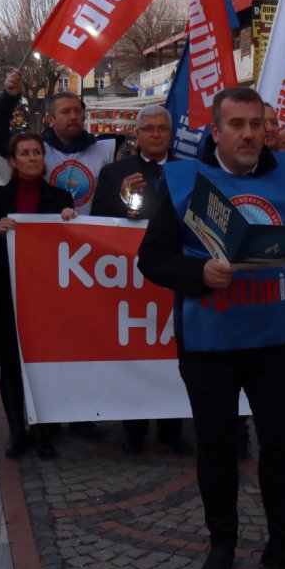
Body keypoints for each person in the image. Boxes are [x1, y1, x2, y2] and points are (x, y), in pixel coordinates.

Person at [138, 87, 285, 569]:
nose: (248, 134)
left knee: (282, 446)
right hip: (210, 343)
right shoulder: (184, 182)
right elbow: (151, 259)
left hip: (278, 340)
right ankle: (221, 544)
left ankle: (283, 545)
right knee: (217, 448)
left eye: (256, 124)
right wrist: (198, 274)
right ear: (216, 131)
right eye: (237, 125)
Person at [90, 105, 191, 456]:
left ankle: (171, 430)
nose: (155, 134)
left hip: (174, 273)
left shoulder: (188, 170)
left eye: (162, 128)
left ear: (170, 133)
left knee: (172, 351)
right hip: (128, 278)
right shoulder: (114, 172)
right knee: (134, 353)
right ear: (137, 134)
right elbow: (97, 221)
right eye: (148, 128)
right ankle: (133, 430)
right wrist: (121, 196)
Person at [0, 132, 79, 460]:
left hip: (48, 293)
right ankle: (16, 431)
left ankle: (42, 431)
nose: (32, 158)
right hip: (7, 290)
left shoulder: (60, 197)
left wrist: (71, 221)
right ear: (12, 161)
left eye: (37, 152)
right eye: (24, 153)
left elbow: (72, 245)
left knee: (43, 362)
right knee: (10, 361)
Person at [0, 69, 121, 215]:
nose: (73, 116)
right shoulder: (38, 150)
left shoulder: (107, 149)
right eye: (65, 112)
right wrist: (9, 97)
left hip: (91, 229)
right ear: (50, 119)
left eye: (78, 111)